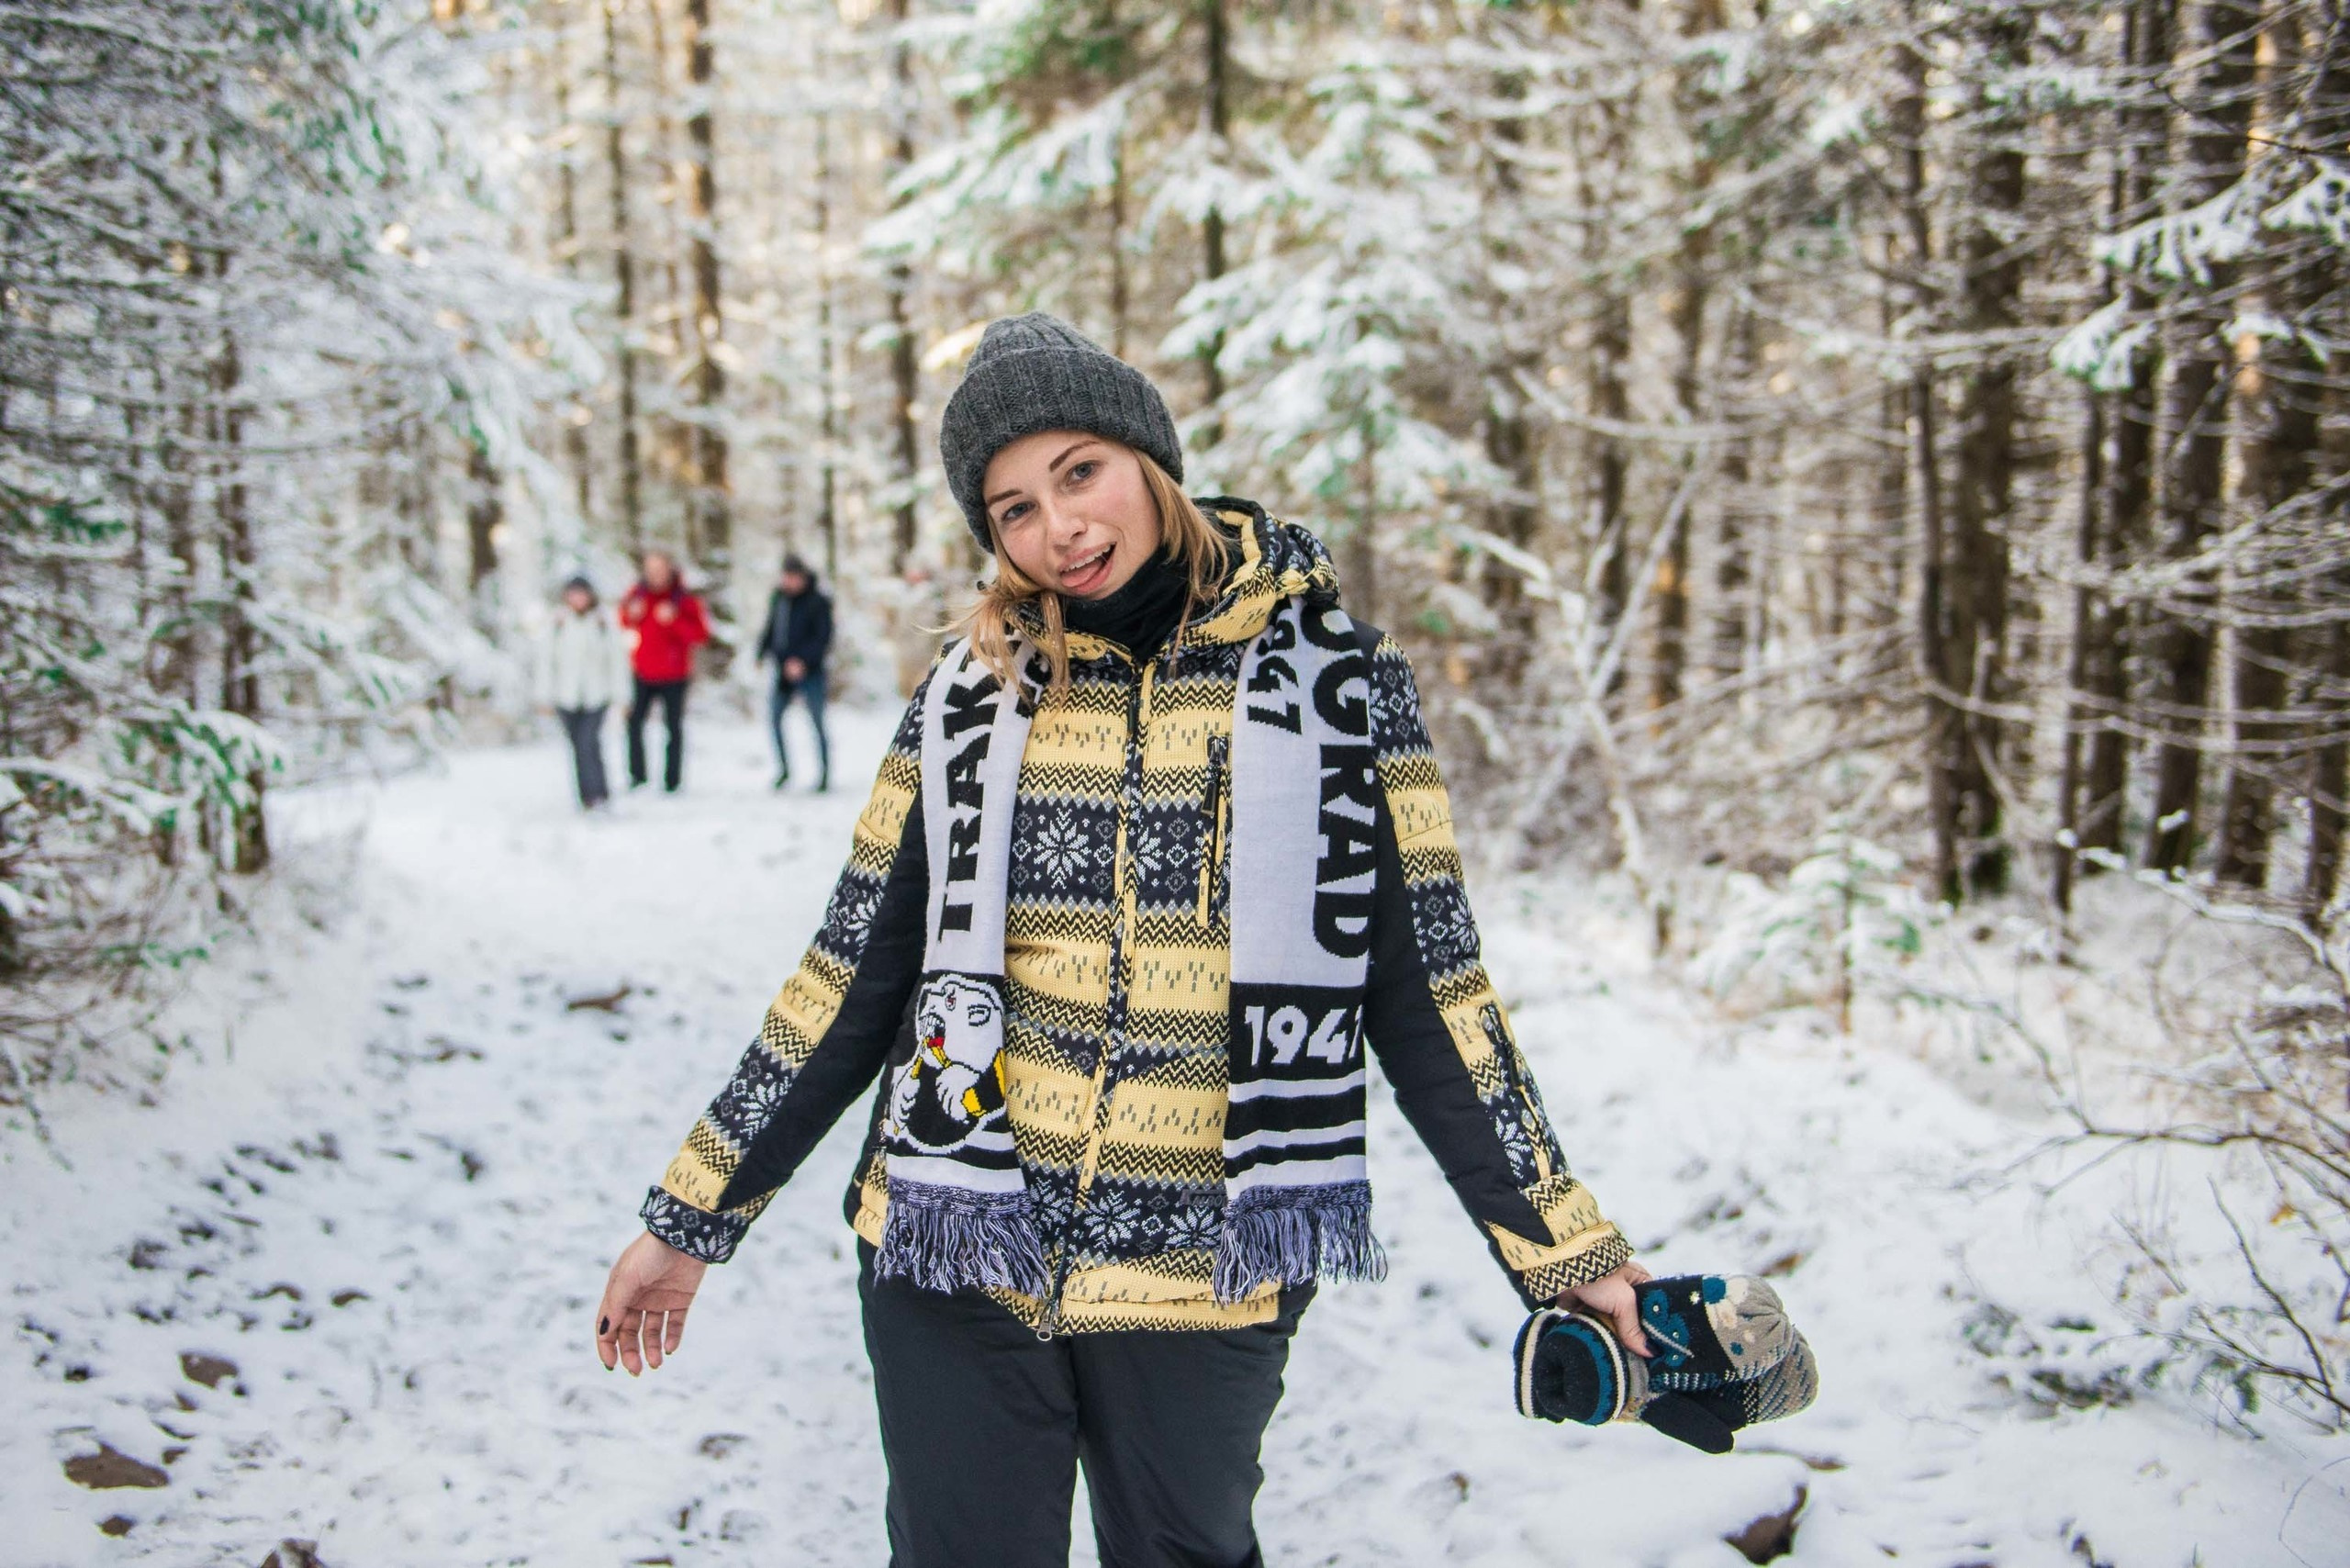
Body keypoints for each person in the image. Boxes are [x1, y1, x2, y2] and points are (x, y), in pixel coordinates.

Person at [595, 314, 1651, 1568]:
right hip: (953, 1236)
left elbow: (1431, 995)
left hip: (1203, 1261)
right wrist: (692, 1212)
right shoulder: (968, 697)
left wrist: (1562, 1250)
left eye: (1080, 472)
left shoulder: (1340, 688)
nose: (1061, 526)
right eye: (1015, 508)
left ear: (1150, 462)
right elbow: (849, 979)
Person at [617, 551, 709, 793]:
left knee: (673, 727)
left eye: (659, 569)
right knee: (634, 724)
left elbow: (700, 635)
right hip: (643, 672)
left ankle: (672, 781)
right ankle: (637, 776)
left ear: (669, 570)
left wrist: (674, 620)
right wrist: (631, 614)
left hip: (675, 674)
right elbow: (623, 621)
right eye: (651, 569)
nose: (655, 575)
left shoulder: (684, 599)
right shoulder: (637, 595)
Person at [537, 575, 626, 810]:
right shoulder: (558, 623)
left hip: (596, 695)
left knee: (590, 742)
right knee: (577, 746)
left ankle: (599, 793)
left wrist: (622, 696)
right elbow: (546, 662)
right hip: (566, 696)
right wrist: (544, 696)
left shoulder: (602, 623)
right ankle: (585, 795)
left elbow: (617, 661)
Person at [755, 553, 834, 791]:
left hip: (811, 671)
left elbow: (823, 638)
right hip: (782, 672)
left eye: (792, 577)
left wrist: (802, 661)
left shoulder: (818, 601)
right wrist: (761, 652)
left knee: (817, 722)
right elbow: (771, 628)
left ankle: (824, 774)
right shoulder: (779, 599)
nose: (788, 581)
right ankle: (784, 770)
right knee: (775, 718)